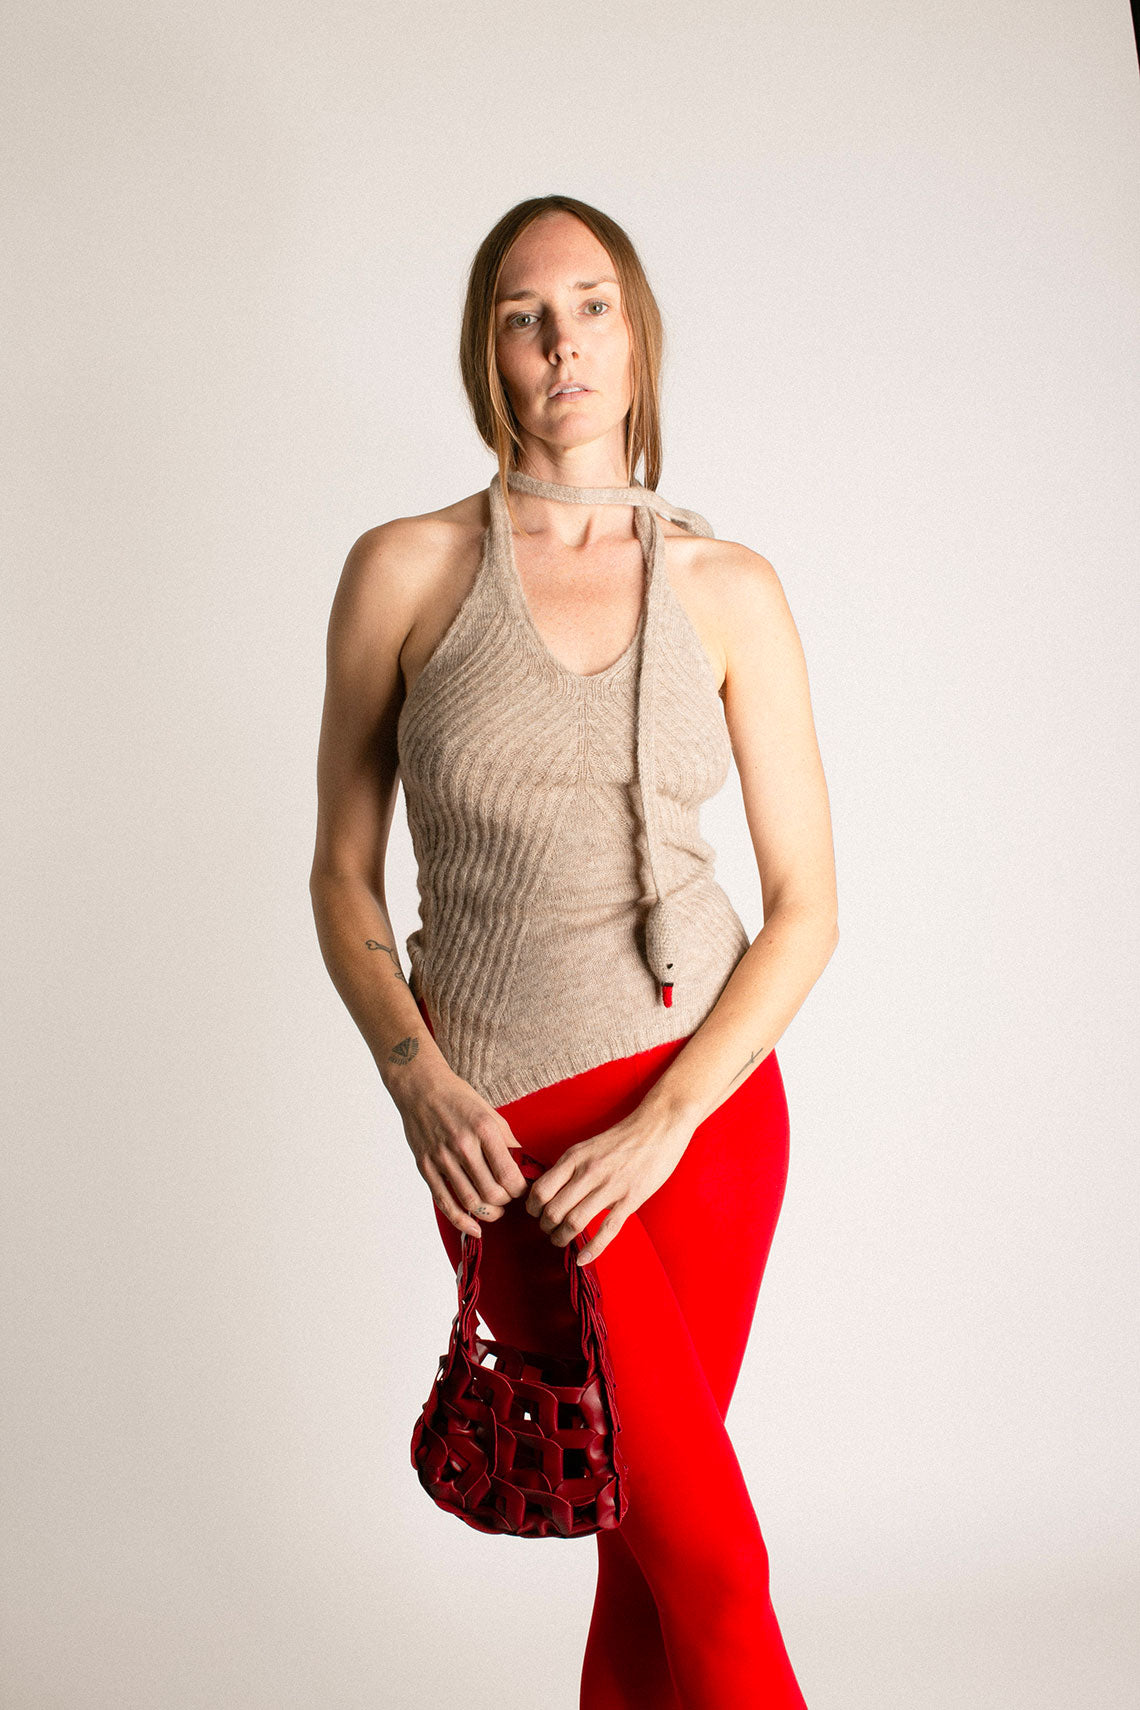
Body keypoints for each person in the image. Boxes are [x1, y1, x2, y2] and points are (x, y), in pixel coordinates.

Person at [309, 193, 838, 1710]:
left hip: (707, 1119)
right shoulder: (407, 571)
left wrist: (670, 1120)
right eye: (525, 315)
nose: (563, 341)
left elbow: (807, 903)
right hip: (516, 1145)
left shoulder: (729, 586)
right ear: (488, 353)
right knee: (710, 1561)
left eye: (592, 305)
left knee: (656, 1553)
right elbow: (342, 874)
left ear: (636, 332)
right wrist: (418, 1082)